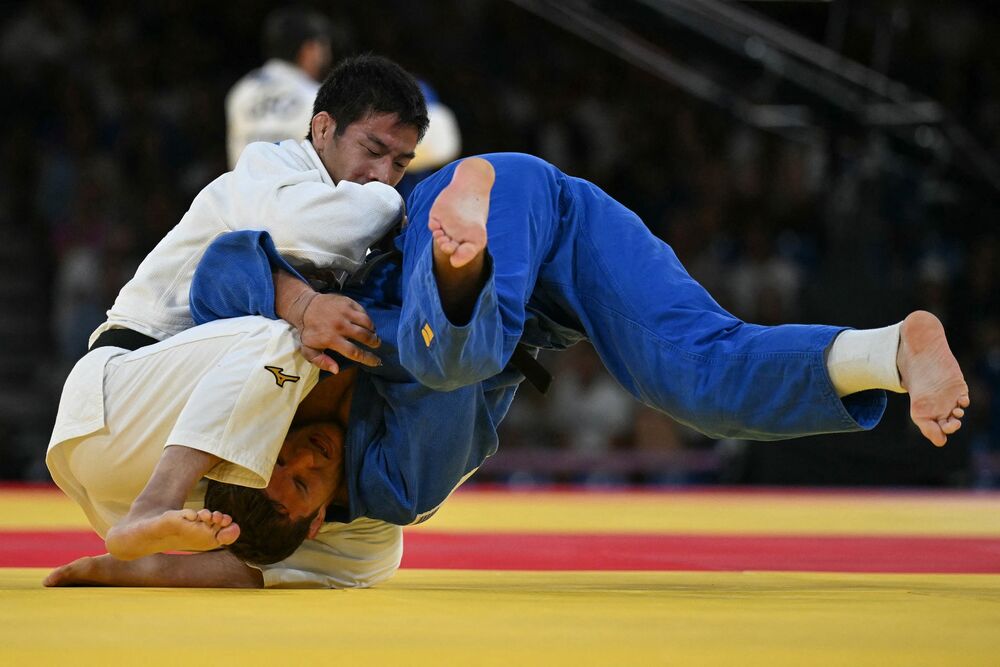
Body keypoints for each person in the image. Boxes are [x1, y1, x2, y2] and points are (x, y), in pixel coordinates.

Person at [185, 154, 968, 532]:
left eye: (274, 465)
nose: (300, 460)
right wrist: (353, 340)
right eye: (299, 487)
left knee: (455, 344)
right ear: (320, 520)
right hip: (561, 242)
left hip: (455, 214)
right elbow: (442, 385)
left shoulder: (254, 386)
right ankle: (893, 350)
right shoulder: (395, 487)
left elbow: (218, 269)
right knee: (701, 384)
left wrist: (301, 302)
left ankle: (464, 253)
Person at [225, 7, 333, 169]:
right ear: (308, 50)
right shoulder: (318, 96)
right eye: (322, 46)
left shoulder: (241, 92)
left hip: (243, 192)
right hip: (297, 191)